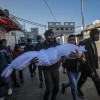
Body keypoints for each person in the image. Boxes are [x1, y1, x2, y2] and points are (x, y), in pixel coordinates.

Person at [77, 28, 100, 98]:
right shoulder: (86, 43)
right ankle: (76, 89)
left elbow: (93, 55)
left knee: (82, 79)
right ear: (92, 35)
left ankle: (76, 88)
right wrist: (91, 71)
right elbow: (85, 59)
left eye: (99, 34)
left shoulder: (93, 42)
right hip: (87, 67)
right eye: (97, 34)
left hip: (90, 67)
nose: (98, 36)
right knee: (97, 81)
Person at [39, 29, 61, 100]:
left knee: (57, 88)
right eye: (50, 35)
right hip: (46, 69)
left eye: (52, 35)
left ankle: (53, 98)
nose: (52, 37)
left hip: (55, 68)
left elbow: (62, 53)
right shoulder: (41, 46)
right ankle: (45, 98)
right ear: (46, 37)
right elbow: (37, 56)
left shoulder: (56, 45)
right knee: (49, 89)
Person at [61, 34, 84, 100]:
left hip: (77, 70)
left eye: (73, 39)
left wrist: (78, 57)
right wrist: (64, 57)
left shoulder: (79, 49)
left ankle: (64, 86)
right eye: (70, 40)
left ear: (75, 40)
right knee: (74, 86)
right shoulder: (65, 49)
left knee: (72, 83)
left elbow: (83, 61)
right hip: (70, 70)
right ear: (68, 41)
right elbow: (62, 60)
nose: (71, 41)